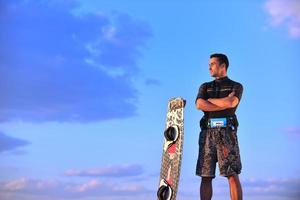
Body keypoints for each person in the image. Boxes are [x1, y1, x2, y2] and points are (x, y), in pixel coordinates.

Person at [195, 53, 243, 200]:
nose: (209, 67)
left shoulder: (236, 86)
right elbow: (199, 104)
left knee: (231, 174)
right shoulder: (205, 86)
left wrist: (210, 102)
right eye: (209, 64)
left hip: (227, 133)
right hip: (207, 133)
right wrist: (223, 102)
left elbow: (232, 103)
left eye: (213, 64)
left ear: (223, 66)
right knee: (205, 175)